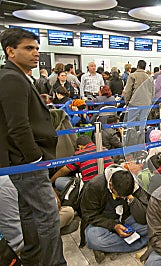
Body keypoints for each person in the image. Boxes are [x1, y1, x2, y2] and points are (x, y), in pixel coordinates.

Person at [0, 27, 66, 265]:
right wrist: (35, 157)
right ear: (10, 51)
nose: (36, 53)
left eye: (37, 48)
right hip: (27, 162)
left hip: (21, 161)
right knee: (48, 216)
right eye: (29, 48)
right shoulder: (11, 78)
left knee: (28, 212)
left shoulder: (18, 77)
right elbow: (17, 126)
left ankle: (33, 257)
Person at [81, 164, 149, 263]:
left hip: (126, 220)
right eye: (119, 195)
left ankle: (109, 247)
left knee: (151, 226)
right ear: (111, 184)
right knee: (93, 238)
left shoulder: (133, 183)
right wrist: (114, 226)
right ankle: (139, 242)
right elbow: (88, 215)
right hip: (103, 223)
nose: (121, 198)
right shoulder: (95, 186)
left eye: (123, 196)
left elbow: (143, 217)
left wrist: (131, 198)